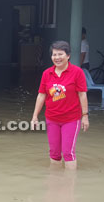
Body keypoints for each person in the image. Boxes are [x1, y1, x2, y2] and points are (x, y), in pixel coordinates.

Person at [31, 40, 89, 170]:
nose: (57, 58)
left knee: (68, 152)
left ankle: (70, 184)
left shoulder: (77, 72)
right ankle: (55, 181)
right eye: (54, 55)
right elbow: (41, 95)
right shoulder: (47, 73)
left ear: (68, 56)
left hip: (71, 119)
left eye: (60, 54)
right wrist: (35, 116)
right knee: (55, 153)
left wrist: (85, 116)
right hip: (52, 118)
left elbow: (82, 95)